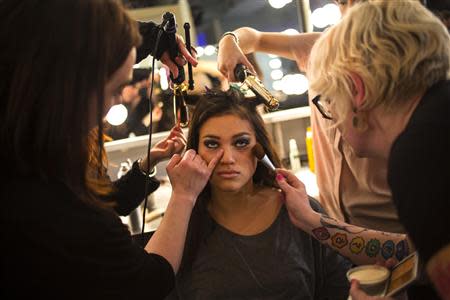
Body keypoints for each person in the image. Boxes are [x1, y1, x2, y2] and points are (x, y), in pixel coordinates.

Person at [0, 0, 222, 298]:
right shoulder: (46, 204)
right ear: (70, 88)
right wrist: (183, 196)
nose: (117, 102)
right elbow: (147, 281)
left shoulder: (26, 144)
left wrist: (154, 38)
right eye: (115, 89)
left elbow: (106, 202)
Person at [275, 1, 450, 299]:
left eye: (329, 98)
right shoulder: (436, 120)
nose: (332, 115)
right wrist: (311, 220)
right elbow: (416, 249)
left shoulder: (416, 154)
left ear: (357, 90)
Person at [217, 0, 405, 237]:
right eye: (345, 3)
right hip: (330, 222)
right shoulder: (318, 47)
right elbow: (253, 38)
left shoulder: (396, 62)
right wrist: (228, 41)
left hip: (390, 222)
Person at [166, 88, 352, 299]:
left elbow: (338, 288)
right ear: (195, 152)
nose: (228, 158)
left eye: (241, 143)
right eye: (212, 144)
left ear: (259, 147)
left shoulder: (301, 211)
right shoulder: (181, 224)